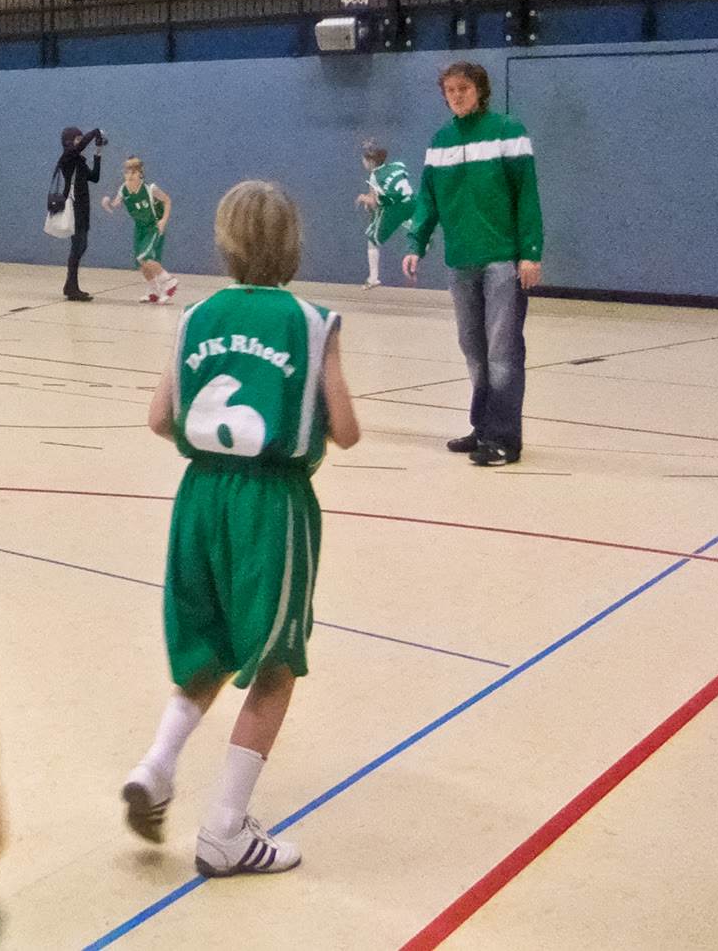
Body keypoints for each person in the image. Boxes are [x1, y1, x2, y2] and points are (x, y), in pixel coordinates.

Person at [121, 181, 360, 878]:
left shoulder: (196, 315)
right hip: (270, 503)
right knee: (276, 663)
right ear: (293, 244)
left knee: (211, 645)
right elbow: (346, 429)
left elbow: (159, 418)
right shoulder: (312, 321)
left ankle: (157, 765)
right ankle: (225, 829)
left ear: (224, 243)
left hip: (199, 499)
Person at [403, 61, 543, 468]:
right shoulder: (440, 141)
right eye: (449, 90)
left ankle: (504, 439)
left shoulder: (508, 131)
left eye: (463, 88)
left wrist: (530, 252)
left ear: (480, 90)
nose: (456, 96)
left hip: (501, 259)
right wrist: (416, 242)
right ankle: (482, 428)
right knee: (472, 348)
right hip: (460, 260)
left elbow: (527, 194)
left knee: (502, 352)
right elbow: (428, 198)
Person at [104, 156, 178, 303]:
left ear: (140, 175)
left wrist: (163, 220)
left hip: (153, 226)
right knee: (141, 263)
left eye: (133, 173)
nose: (129, 176)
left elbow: (167, 200)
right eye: (127, 172)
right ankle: (154, 292)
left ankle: (170, 283)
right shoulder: (123, 190)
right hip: (139, 228)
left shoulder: (150, 189)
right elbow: (115, 204)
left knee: (147, 258)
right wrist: (108, 204)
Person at [355, 142, 415, 288]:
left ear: (370, 162)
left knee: (372, 239)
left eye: (364, 160)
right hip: (411, 203)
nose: (363, 162)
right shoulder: (398, 165)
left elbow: (375, 203)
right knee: (414, 228)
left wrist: (363, 198)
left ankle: (373, 279)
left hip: (394, 209)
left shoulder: (375, 176)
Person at [55, 127, 105, 302]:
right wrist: (94, 132)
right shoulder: (67, 158)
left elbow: (95, 177)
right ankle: (71, 286)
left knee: (81, 245)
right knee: (77, 246)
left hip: (83, 208)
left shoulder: (79, 162)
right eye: (77, 138)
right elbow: (81, 146)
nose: (80, 141)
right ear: (69, 141)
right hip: (74, 208)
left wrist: (98, 153)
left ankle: (71, 285)